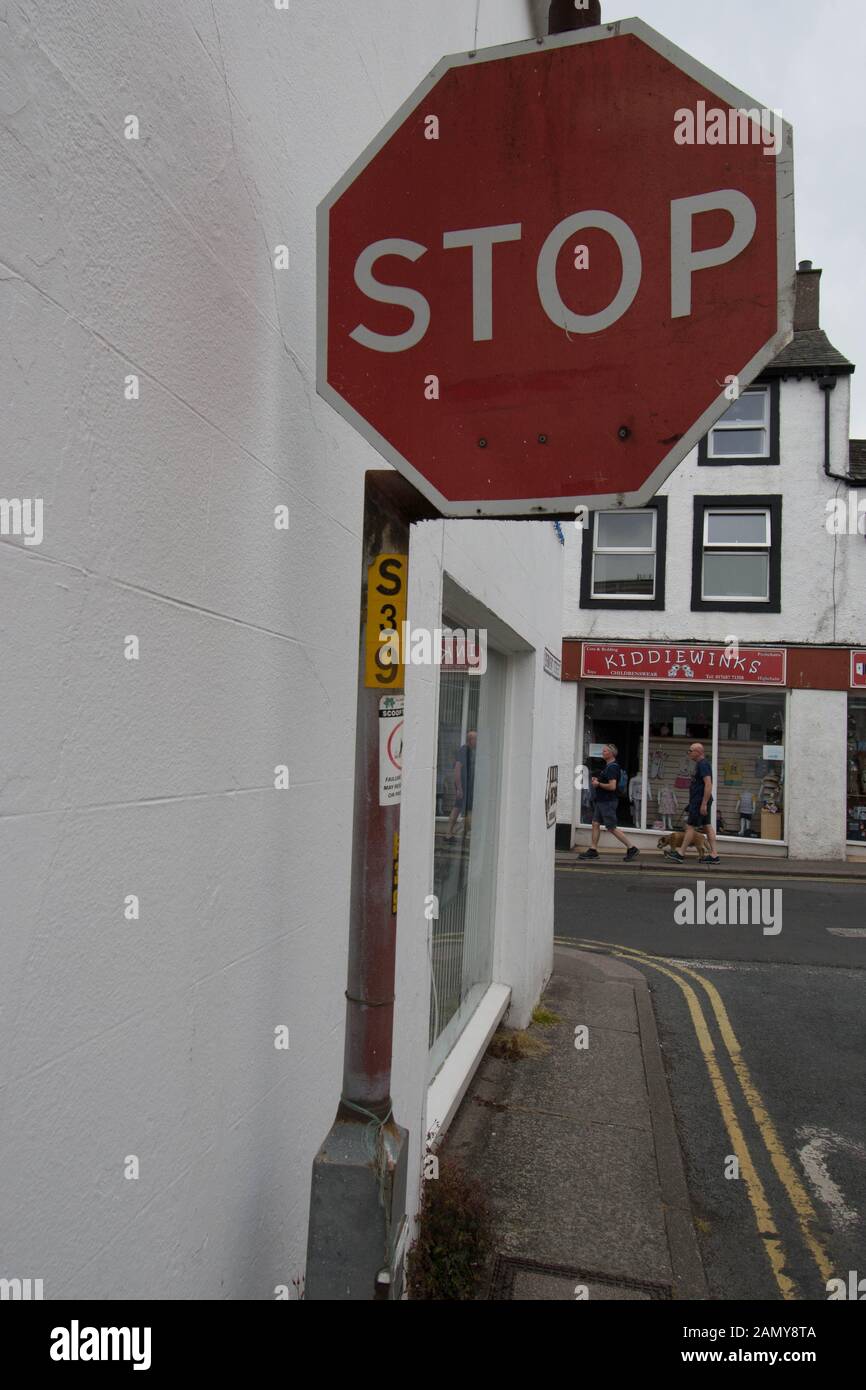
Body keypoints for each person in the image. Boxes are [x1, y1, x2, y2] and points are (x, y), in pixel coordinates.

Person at [579, 742, 639, 862]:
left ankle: (631, 848)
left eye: (605, 751)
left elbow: (612, 787)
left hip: (608, 802)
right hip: (602, 801)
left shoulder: (612, 767)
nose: (603, 752)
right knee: (595, 823)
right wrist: (598, 781)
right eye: (603, 750)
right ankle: (593, 850)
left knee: (611, 827)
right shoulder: (608, 766)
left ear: (611, 754)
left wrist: (598, 784)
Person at [664, 742, 721, 864]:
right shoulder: (700, 765)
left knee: (690, 826)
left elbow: (708, 784)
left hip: (700, 801)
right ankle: (714, 855)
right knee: (707, 825)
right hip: (698, 800)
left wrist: (704, 803)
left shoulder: (703, 765)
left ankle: (680, 853)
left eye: (690, 751)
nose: (688, 753)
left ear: (698, 752)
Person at [446, 730, 476, 839]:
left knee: (460, 809)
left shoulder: (471, 751)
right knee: (458, 809)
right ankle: (450, 833)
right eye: (475, 739)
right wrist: (459, 788)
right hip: (463, 788)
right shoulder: (464, 751)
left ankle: (454, 833)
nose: (477, 741)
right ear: (470, 740)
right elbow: (457, 768)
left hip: (467, 787)